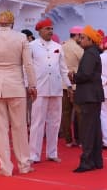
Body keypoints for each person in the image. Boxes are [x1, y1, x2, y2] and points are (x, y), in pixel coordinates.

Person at [0, 11, 37, 177]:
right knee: (20, 127)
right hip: (16, 86)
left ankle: (6, 168)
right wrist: (32, 85)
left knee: (0, 130)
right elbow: (28, 64)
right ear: (12, 23)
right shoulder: (21, 38)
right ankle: (24, 165)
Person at [28, 18, 71, 163]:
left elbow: (63, 68)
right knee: (37, 122)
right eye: (47, 29)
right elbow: (25, 67)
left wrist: (69, 85)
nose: (50, 31)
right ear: (39, 31)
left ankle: (52, 153)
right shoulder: (31, 46)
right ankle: (34, 155)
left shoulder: (58, 46)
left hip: (56, 88)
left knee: (55, 121)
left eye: (51, 28)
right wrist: (29, 85)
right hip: (39, 88)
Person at [69, 25, 104, 173]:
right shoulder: (93, 52)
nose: (80, 40)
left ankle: (87, 161)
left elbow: (86, 74)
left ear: (90, 39)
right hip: (93, 95)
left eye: (82, 38)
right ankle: (96, 160)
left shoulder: (89, 53)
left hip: (88, 96)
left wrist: (73, 77)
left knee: (87, 131)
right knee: (94, 130)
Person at [61, 26, 84, 147]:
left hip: (63, 84)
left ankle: (68, 140)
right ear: (78, 36)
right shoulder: (78, 48)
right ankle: (80, 140)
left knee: (65, 113)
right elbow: (84, 62)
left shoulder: (62, 46)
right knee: (79, 113)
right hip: (75, 84)